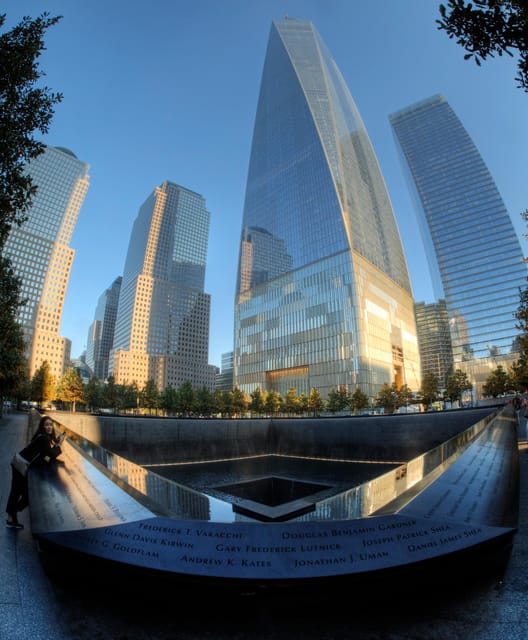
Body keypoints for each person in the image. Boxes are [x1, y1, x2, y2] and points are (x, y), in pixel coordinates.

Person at [5, 414, 65, 529]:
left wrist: (55, 445)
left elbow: (46, 454)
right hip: (21, 465)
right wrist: (59, 444)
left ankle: (11, 516)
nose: (49, 427)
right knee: (24, 492)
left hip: (18, 462)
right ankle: (12, 514)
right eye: (46, 425)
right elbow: (50, 455)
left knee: (17, 491)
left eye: (51, 425)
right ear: (42, 426)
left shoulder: (42, 436)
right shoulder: (43, 438)